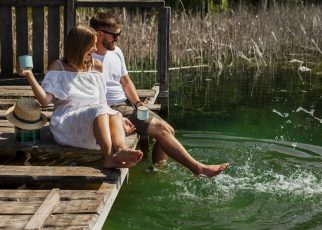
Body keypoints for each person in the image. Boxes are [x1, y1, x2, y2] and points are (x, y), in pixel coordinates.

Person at [90, 12, 229, 177]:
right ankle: (198, 169)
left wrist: (138, 103)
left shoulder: (116, 52)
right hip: (111, 110)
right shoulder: (87, 56)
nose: (117, 39)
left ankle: (156, 171)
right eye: (115, 35)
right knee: (162, 129)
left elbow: (126, 82)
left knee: (169, 129)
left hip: (126, 105)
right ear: (99, 34)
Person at [17, 24, 143, 169]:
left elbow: (102, 101)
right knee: (99, 110)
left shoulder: (96, 66)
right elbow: (45, 101)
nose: (95, 49)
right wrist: (29, 75)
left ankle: (121, 149)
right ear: (79, 46)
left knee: (114, 113)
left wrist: (117, 118)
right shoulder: (59, 67)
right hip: (67, 122)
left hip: (96, 117)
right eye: (92, 45)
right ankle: (108, 157)